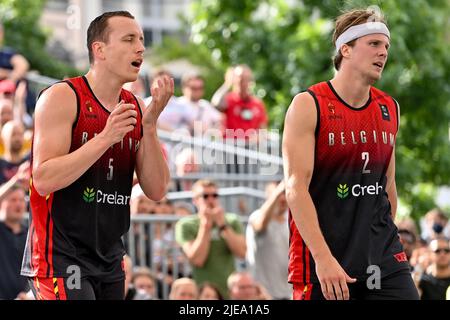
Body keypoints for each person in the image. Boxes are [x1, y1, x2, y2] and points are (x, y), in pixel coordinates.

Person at [20, 11, 173, 300]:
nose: (140, 47)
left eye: (141, 40)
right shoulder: (62, 96)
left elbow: (156, 189)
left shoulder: (135, 106)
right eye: (129, 39)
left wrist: (149, 127)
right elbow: (43, 179)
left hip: (110, 257)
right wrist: (105, 138)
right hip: (61, 256)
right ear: (99, 49)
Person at [282, 8, 419, 300]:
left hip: (381, 256)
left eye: (386, 46)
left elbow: (388, 184)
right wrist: (323, 258)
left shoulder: (389, 107)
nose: (383, 52)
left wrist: (381, 241)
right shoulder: (309, 104)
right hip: (324, 257)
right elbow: (295, 189)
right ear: (346, 49)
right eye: (374, 44)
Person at [175, 179, 246, 298]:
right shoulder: (186, 224)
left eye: (214, 195)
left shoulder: (231, 220)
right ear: (195, 200)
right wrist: (205, 225)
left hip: (228, 291)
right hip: (202, 293)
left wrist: (222, 225)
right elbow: (197, 259)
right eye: (205, 196)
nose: (210, 200)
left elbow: (242, 252)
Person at [245, 181, 292, 299]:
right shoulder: (256, 216)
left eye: (285, 193)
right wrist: (276, 193)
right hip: (262, 294)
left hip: (288, 292)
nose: (282, 198)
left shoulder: (291, 220)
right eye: (278, 194)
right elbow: (260, 225)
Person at [0, 184, 29, 300]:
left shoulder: (31, 235)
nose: (18, 204)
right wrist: (15, 180)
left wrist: (29, 295)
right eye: (13, 200)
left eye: (22, 200)